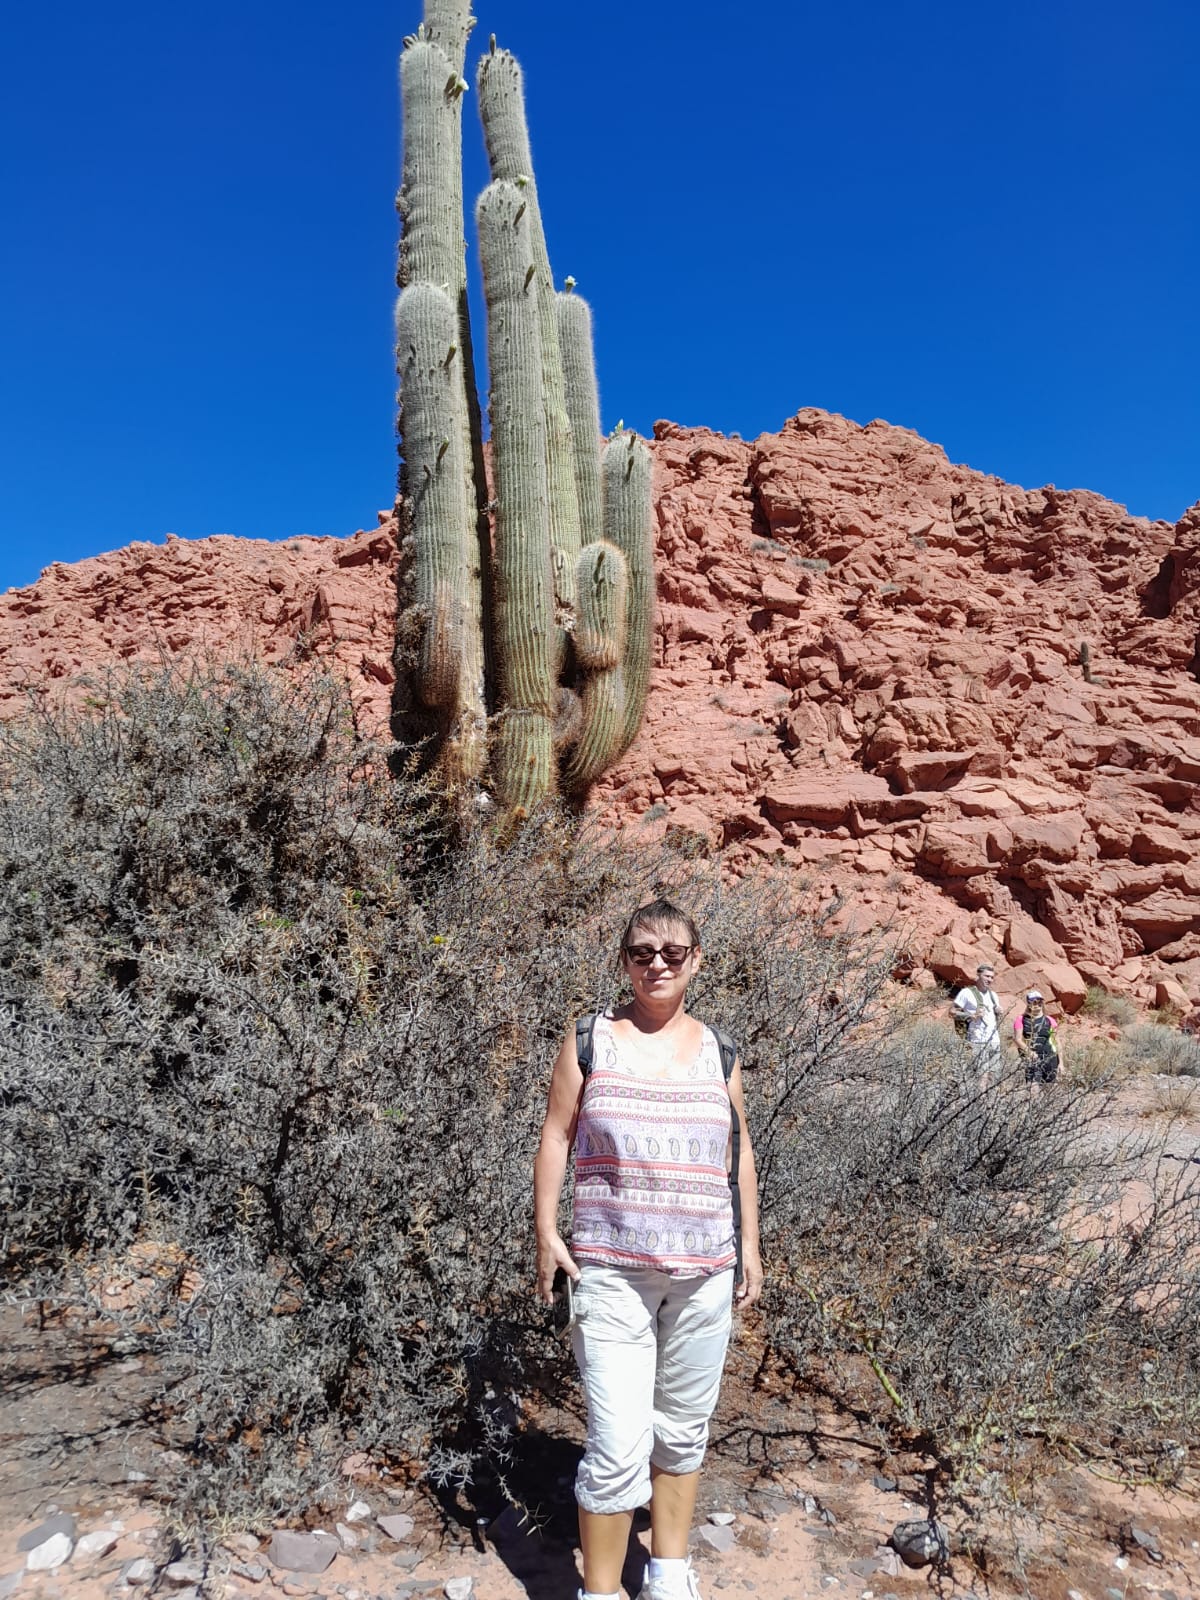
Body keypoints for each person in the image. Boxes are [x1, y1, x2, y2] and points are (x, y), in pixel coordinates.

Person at [533, 898, 763, 1600]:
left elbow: (739, 1145)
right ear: (624, 961)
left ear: (696, 960)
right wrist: (546, 1230)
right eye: (642, 953)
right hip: (609, 1270)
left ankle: (667, 1572)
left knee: (684, 1429)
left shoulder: (720, 1050)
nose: (656, 964)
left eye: (671, 952)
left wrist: (750, 1242)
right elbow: (555, 1134)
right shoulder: (588, 1040)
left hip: (704, 1270)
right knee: (616, 1444)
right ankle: (599, 1591)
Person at [953, 963, 1003, 1072]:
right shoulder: (966, 992)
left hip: (994, 1039)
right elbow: (952, 1012)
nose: (989, 979)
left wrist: (997, 1011)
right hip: (977, 1039)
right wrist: (971, 1016)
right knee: (981, 1074)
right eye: (986, 976)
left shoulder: (993, 995)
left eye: (992, 977)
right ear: (978, 975)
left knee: (995, 1074)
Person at [1013, 989, 1063, 1082]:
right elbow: (1017, 1039)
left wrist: (1061, 1063)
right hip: (1032, 1058)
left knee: (1048, 1089)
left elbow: (1057, 1042)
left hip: (1050, 1057)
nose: (1037, 1004)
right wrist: (1029, 1052)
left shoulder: (1049, 1020)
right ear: (1028, 1003)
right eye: (1034, 1002)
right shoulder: (1021, 1019)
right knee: (1033, 1088)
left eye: (1039, 1002)